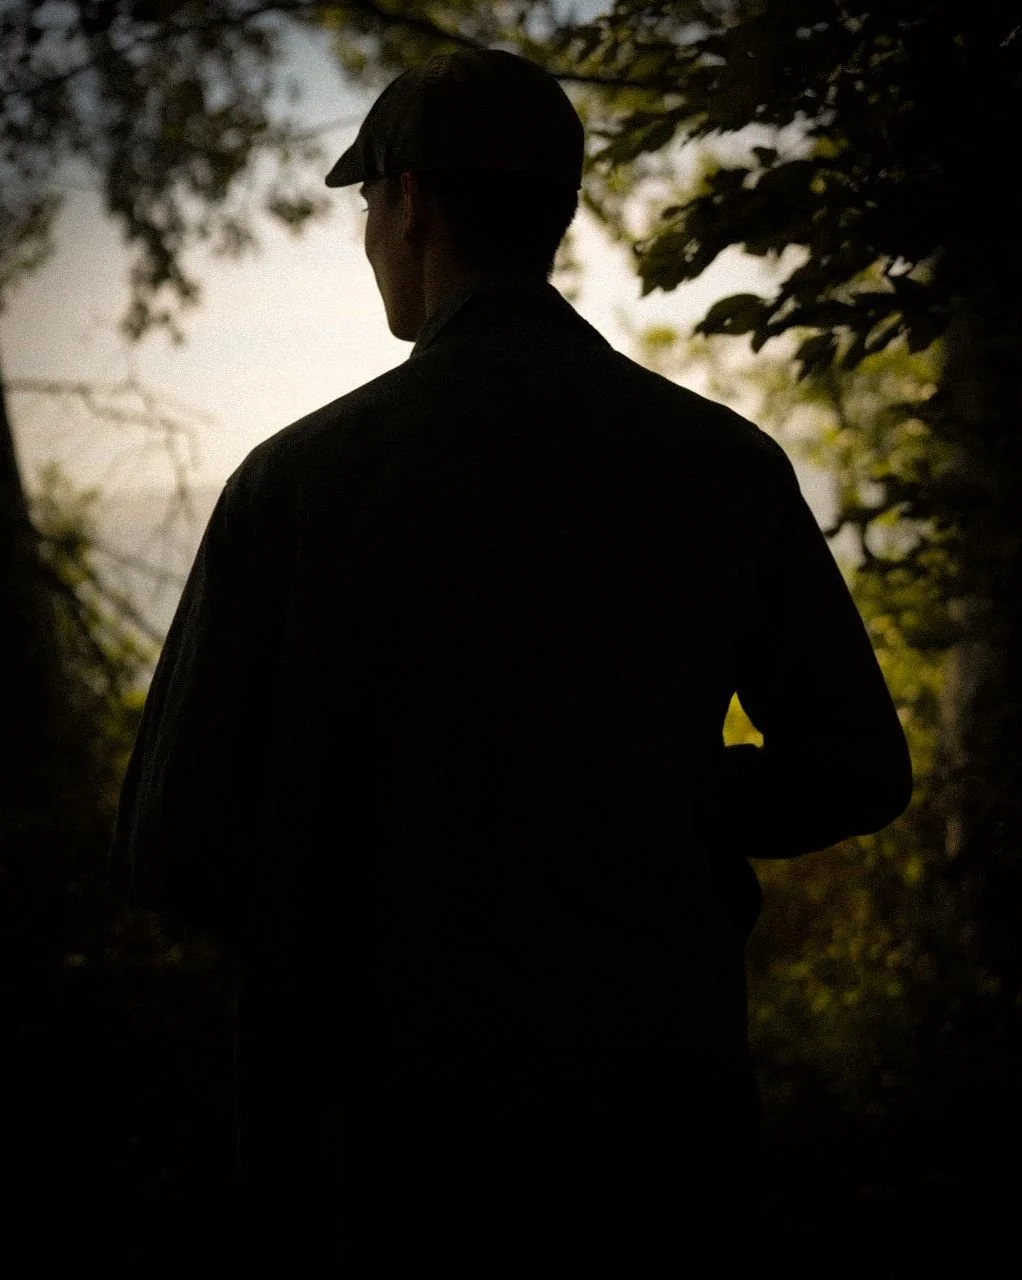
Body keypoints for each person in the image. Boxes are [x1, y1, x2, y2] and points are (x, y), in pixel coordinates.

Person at [109, 47, 913, 1276]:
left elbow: (173, 838)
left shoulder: (300, 483)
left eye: (366, 205)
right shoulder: (721, 466)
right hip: (661, 1128)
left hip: (378, 1148)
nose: (367, 237)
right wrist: (657, 799)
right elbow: (856, 766)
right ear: (555, 209)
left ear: (411, 201)